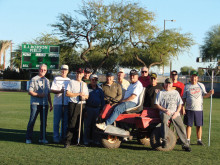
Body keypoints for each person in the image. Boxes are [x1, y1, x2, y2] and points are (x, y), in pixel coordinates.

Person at [155, 78, 191, 152]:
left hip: (174, 113)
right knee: (164, 121)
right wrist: (164, 110)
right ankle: (164, 140)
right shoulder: (161, 93)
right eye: (167, 83)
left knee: (181, 127)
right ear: (164, 84)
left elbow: (180, 104)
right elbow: (157, 104)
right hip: (165, 112)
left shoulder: (175, 92)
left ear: (172, 84)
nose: (168, 85)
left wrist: (177, 112)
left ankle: (185, 144)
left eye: (169, 83)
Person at [183, 71, 214, 146]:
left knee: (199, 125)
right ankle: (188, 140)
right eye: (193, 77)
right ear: (191, 77)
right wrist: (182, 107)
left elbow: (205, 95)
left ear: (197, 78)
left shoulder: (201, 85)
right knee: (189, 125)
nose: (194, 78)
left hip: (199, 109)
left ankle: (199, 140)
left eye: (195, 77)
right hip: (189, 108)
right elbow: (184, 98)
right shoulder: (187, 86)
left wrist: (209, 93)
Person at [26, 64, 53, 144]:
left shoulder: (47, 80)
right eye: (41, 69)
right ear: (38, 70)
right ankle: (28, 138)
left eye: (45, 70)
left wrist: (50, 104)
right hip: (35, 103)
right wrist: (39, 95)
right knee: (32, 121)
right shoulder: (34, 79)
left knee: (44, 122)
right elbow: (30, 92)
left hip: (45, 104)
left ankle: (42, 138)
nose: (43, 71)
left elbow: (48, 94)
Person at [64, 68, 89, 148]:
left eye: (80, 73)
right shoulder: (71, 82)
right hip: (73, 104)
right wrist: (78, 94)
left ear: (83, 74)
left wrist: (83, 96)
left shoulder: (84, 84)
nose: (78, 75)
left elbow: (87, 96)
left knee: (79, 123)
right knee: (72, 122)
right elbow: (67, 94)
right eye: (77, 73)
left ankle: (77, 140)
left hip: (81, 104)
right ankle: (67, 141)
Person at [51, 65, 70, 143]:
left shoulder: (69, 80)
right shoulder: (56, 79)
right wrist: (60, 91)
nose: (64, 71)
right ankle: (56, 137)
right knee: (56, 121)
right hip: (58, 103)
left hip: (66, 103)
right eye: (62, 70)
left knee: (65, 122)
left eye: (65, 70)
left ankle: (63, 137)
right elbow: (52, 90)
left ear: (67, 71)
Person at [83, 74, 105, 146]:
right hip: (88, 108)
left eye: (96, 80)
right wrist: (85, 110)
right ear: (90, 80)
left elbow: (102, 101)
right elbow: (84, 100)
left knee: (95, 126)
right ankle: (86, 140)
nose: (94, 81)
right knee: (87, 125)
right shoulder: (86, 88)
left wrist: (102, 110)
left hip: (97, 109)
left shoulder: (100, 89)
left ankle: (95, 140)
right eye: (93, 79)